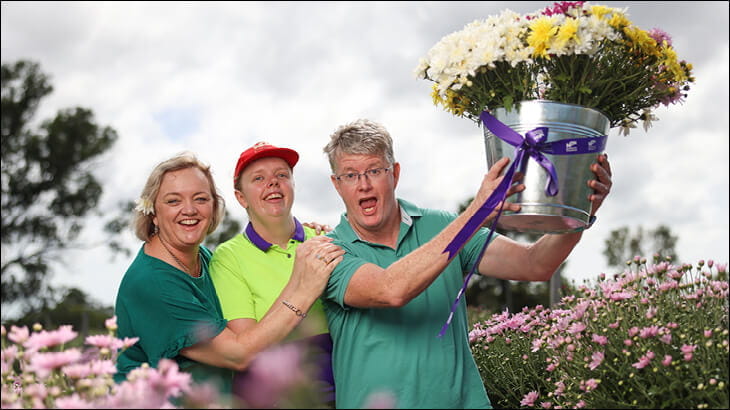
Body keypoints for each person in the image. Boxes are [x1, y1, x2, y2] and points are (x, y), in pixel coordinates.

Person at [320, 119, 613, 408]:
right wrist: (475, 214)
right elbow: (391, 289)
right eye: (350, 175)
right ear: (336, 185)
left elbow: (534, 264)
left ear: (394, 174)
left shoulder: (443, 225)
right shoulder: (328, 253)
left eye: (374, 170)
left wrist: (580, 210)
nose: (363, 185)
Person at [113, 151, 344, 398]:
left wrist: (301, 233)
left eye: (200, 199)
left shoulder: (202, 257)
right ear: (153, 214)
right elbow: (239, 354)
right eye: (173, 201)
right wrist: (305, 288)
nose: (189, 210)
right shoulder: (154, 283)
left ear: (214, 206)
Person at [209, 142, 337, 405]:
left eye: (282, 175)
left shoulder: (326, 239)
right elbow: (247, 346)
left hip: (344, 393)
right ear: (241, 197)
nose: (273, 183)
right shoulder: (228, 258)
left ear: (292, 185)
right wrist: (304, 287)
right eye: (258, 178)